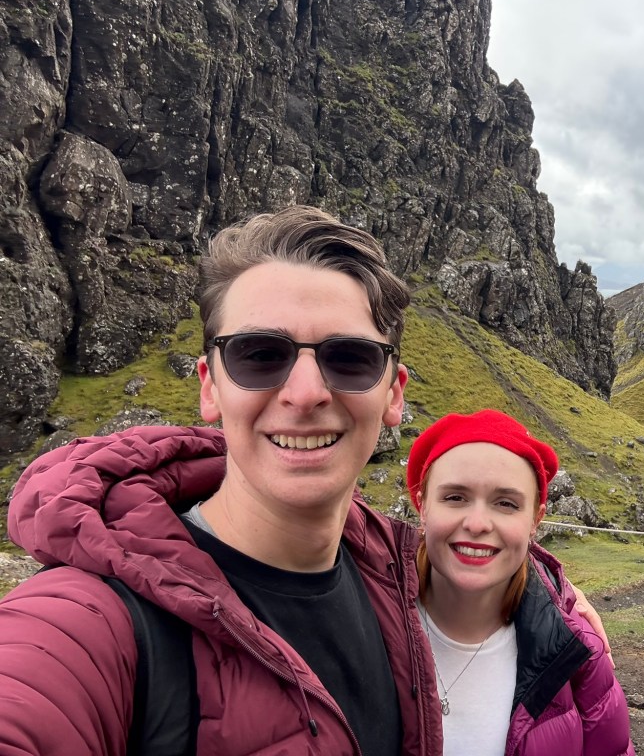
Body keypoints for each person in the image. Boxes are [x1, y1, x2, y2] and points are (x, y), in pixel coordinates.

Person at [0, 206, 441, 755]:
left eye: (349, 358)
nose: (305, 393)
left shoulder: (396, 575)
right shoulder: (89, 622)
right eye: (259, 355)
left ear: (393, 393)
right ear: (210, 386)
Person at [407, 409, 635, 756]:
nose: (478, 523)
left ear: (536, 520)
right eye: (455, 497)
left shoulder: (578, 654)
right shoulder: (363, 614)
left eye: (506, 503)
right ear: (422, 507)